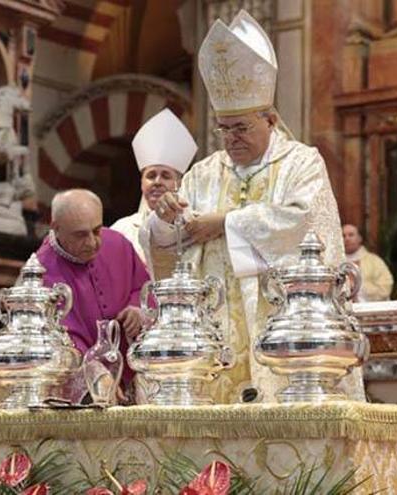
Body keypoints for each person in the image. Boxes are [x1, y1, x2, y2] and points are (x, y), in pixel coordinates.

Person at [142, 10, 362, 404]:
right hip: (218, 331)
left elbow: (304, 222)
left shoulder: (301, 162)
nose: (230, 139)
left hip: (283, 331)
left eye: (241, 128)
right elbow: (171, 244)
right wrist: (164, 222)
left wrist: (226, 223)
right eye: (223, 129)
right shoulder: (203, 173)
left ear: (271, 119)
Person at [36, 190, 149, 373]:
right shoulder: (43, 271)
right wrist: (90, 370)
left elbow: (144, 287)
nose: (92, 242)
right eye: (80, 235)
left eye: (97, 231)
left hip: (132, 366)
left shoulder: (117, 243)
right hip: (82, 378)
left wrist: (138, 310)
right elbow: (59, 337)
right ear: (56, 227)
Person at [111, 108, 197, 277]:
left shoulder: (193, 226)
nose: (157, 182)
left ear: (179, 183)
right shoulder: (121, 230)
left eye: (165, 176)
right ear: (141, 183)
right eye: (151, 176)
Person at [342, 224, 394, 301]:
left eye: (351, 235)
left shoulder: (374, 261)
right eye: (343, 236)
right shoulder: (335, 262)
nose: (347, 239)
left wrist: (357, 288)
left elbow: (385, 287)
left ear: (360, 238)